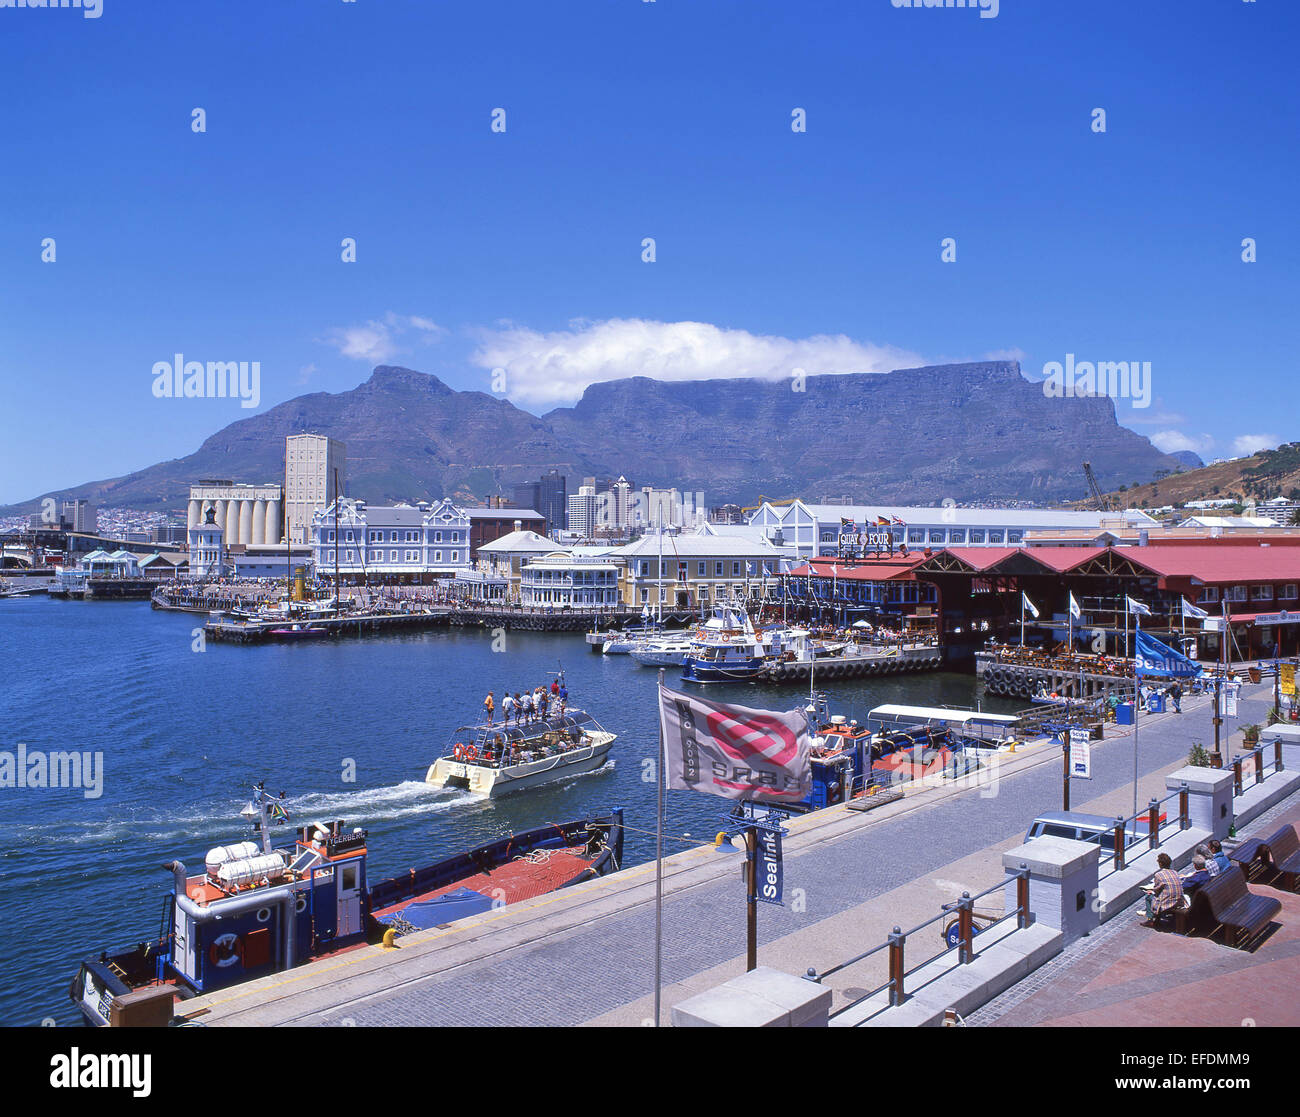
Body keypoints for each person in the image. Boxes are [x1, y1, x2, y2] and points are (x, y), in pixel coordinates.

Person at [1148, 852, 1184, 927]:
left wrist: (1151, 890)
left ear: (1160, 863)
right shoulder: (1175, 872)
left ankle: (1152, 920)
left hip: (1168, 903)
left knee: (1148, 897)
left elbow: (1157, 890)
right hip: (1179, 900)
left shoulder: (1158, 874)